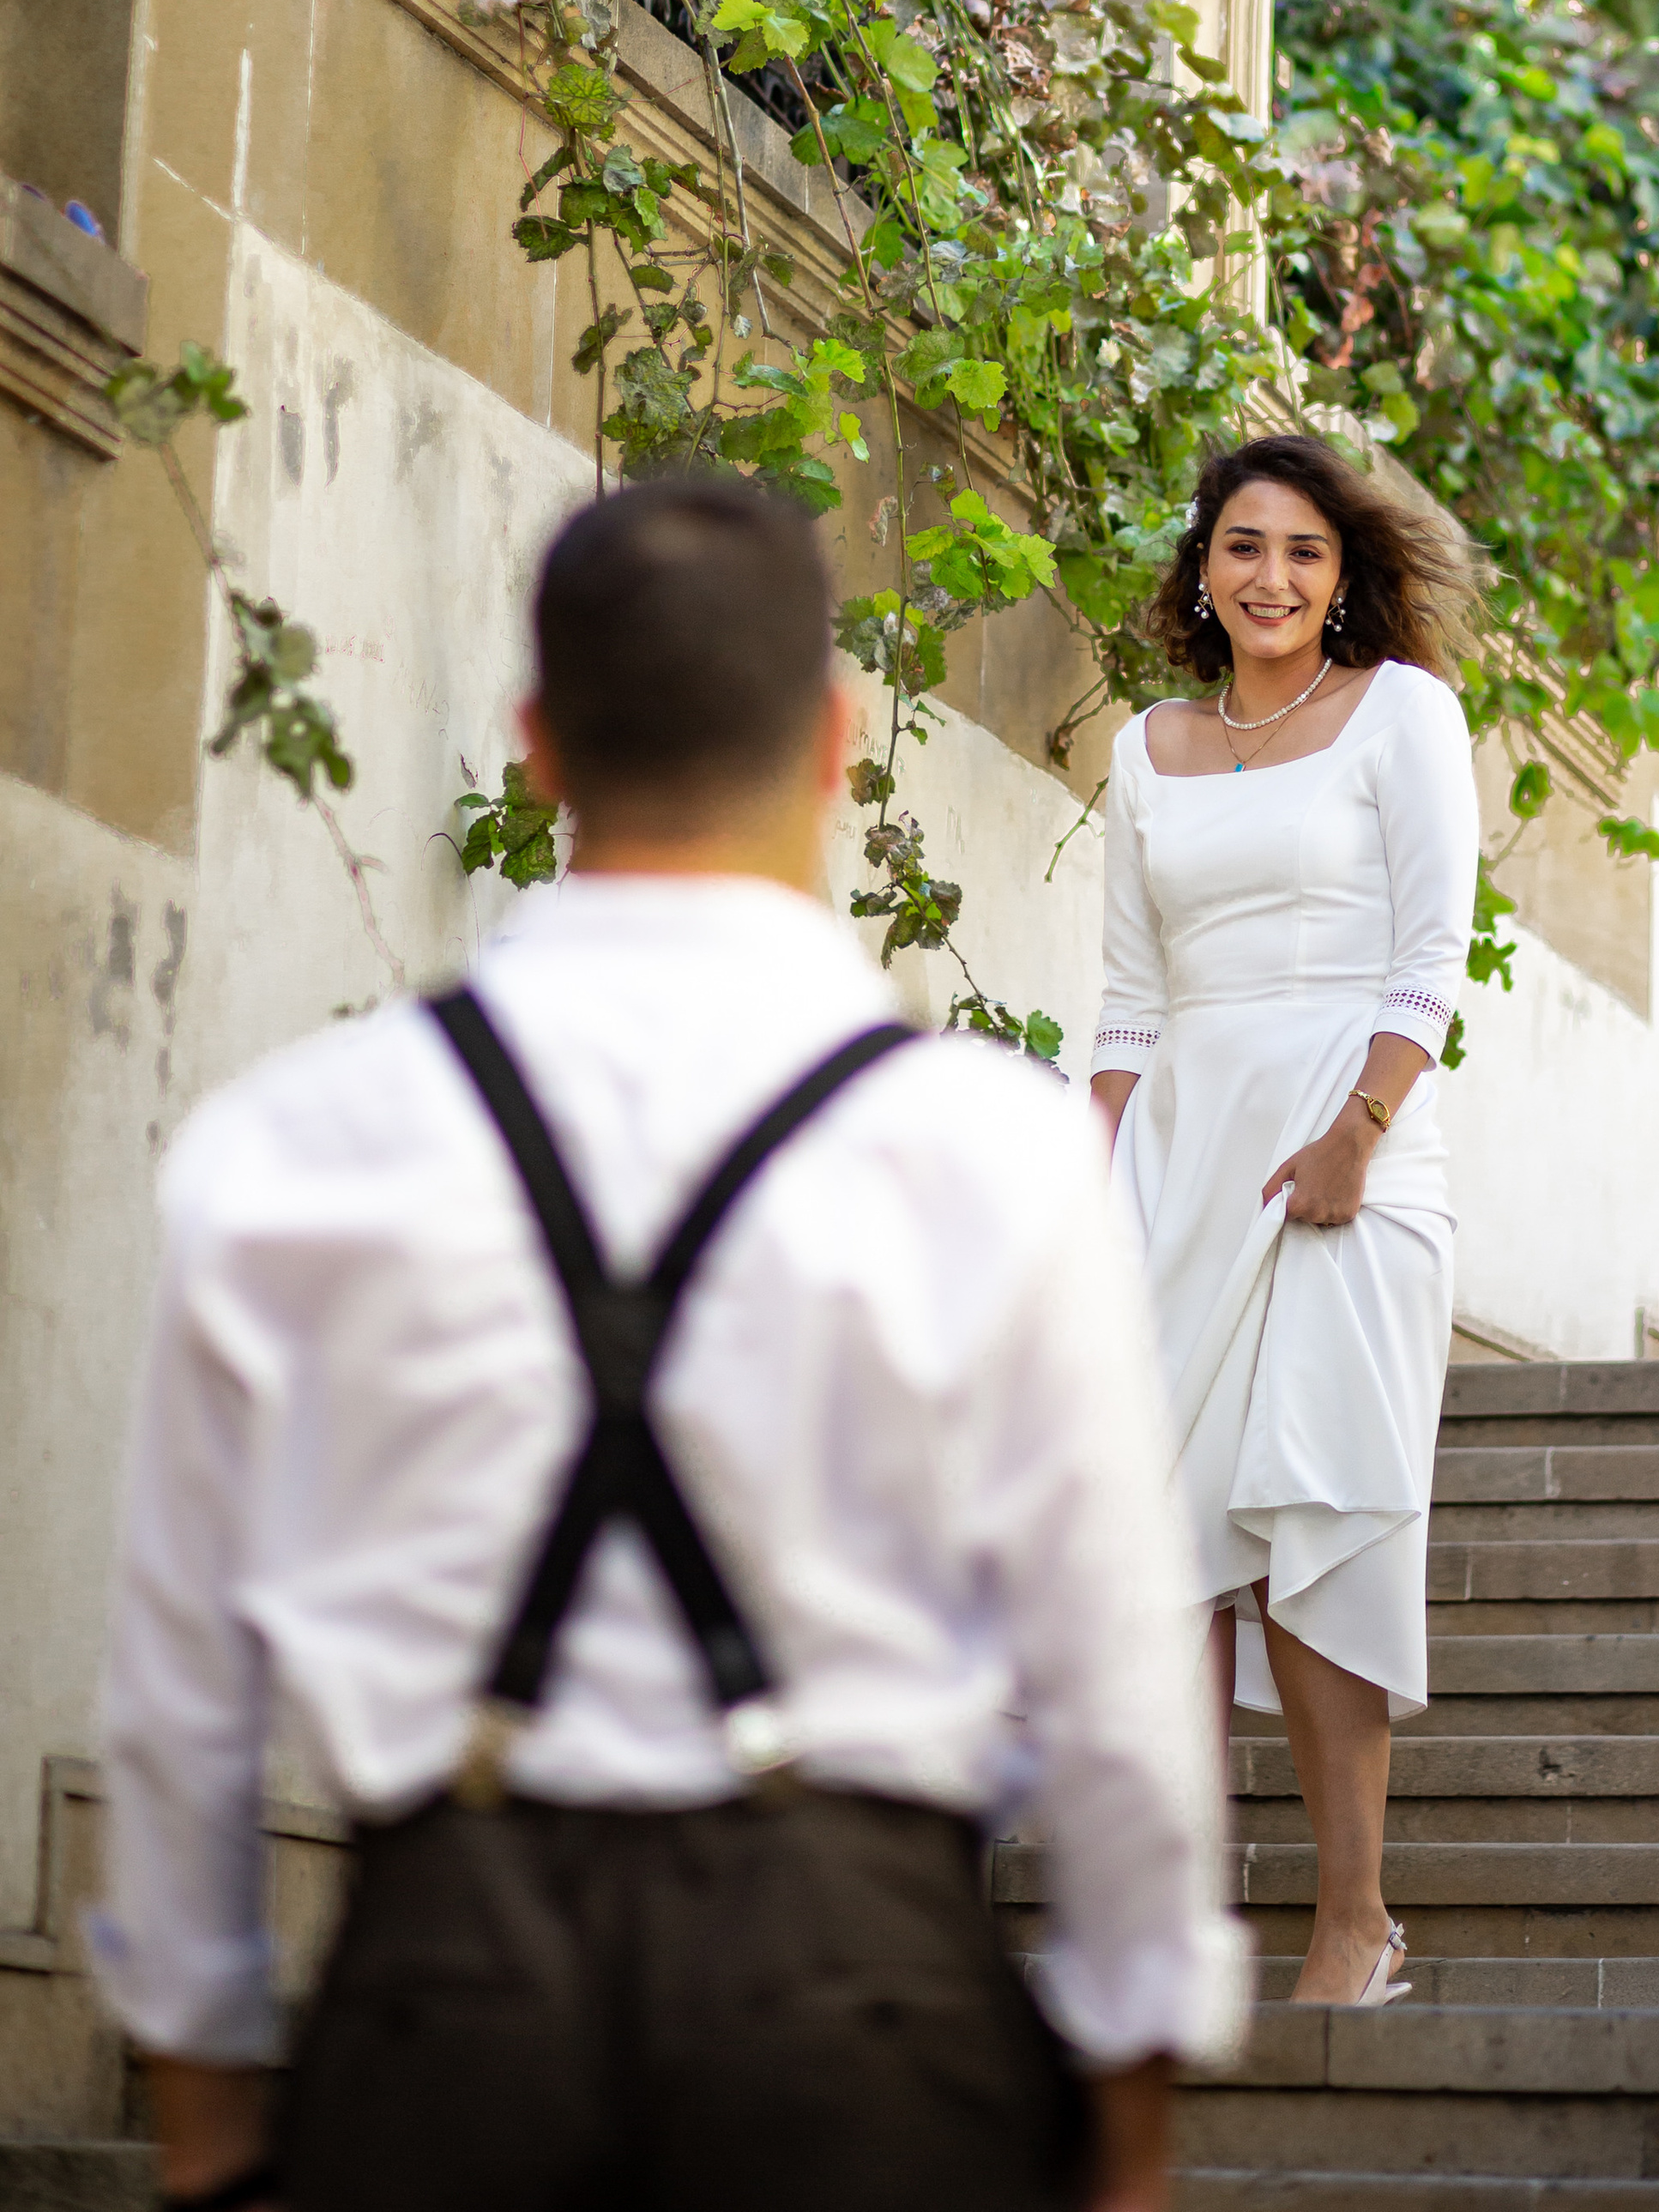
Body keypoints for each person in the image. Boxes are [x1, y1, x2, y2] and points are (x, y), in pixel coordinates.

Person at [93, 475, 1245, 2212]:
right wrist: (1131, 2118)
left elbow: (178, 1700)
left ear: (538, 744)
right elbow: (1112, 1683)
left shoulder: (292, 1146)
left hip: (442, 2007)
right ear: (839, 740)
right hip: (862, 2015)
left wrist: (208, 2121)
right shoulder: (990, 1152)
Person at [1089, 432, 1480, 2012]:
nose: (1273, 577)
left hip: (1353, 1165)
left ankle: (1353, 1924)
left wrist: (1357, 1132)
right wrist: (1084, 1193)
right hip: (1183, 1163)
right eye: (1245, 547)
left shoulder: (1403, 715)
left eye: (1305, 553)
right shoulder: (1143, 747)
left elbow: (1431, 953)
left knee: (1309, 1516)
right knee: (1169, 1553)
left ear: (1344, 579)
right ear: (1203, 567)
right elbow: (1126, 1003)